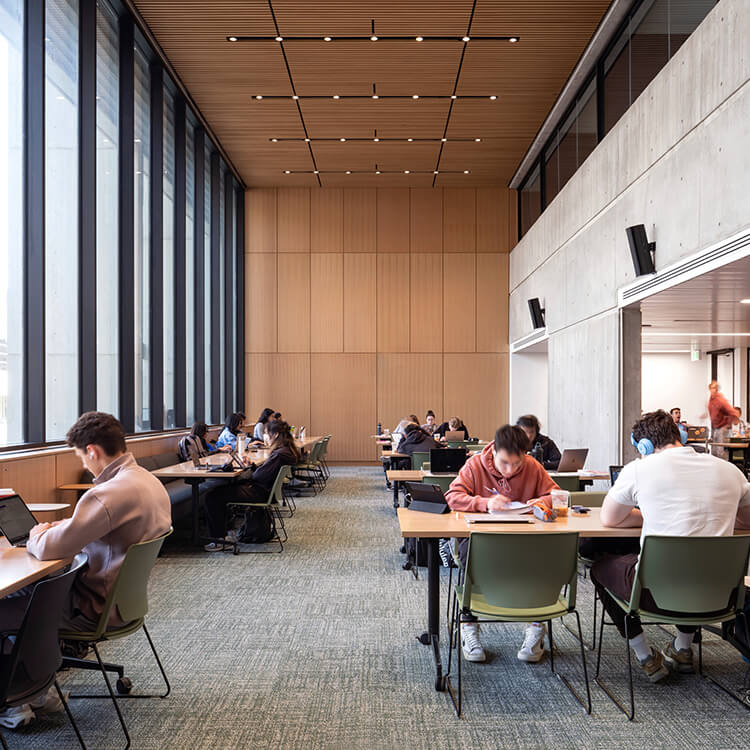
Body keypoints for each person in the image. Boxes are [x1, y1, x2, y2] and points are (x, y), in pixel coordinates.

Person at [0, 412, 171, 728]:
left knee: (24, 602)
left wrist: (38, 533)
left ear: (92, 451)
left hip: (92, 607)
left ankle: (17, 699)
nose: (85, 463)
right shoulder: (148, 481)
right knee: (36, 589)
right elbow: (90, 526)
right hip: (124, 601)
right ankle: (39, 691)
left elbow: (50, 547)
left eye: (80, 456)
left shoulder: (108, 493)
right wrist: (61, 526)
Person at [591, 410, 750, 683]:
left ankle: (645, 657)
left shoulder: (639, 469)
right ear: (682, 436)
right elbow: (746, 521)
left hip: (654, 595)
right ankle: (682, 649)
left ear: (644, 447)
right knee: (695, 566)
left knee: (600, 567)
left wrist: (647, 514)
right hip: (719, 594)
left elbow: (609, 518)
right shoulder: (729, 470)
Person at [445, 424, 560, 664]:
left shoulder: (533, 466)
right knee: (470, 553)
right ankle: (468, 623)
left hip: (525, 538)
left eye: (517, 464)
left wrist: (541, 501)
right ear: (494, 451)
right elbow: (453, 496)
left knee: (549, 553)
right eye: (504, 463)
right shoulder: (475, 465)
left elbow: (557, 496)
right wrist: (484, 503)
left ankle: (536, 625)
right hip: (482, 539)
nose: (510, 470)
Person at [203, 420, 301, 551]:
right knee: (219, 493)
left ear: (275, 435)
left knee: (213, 496)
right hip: (265, 490)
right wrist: (252, 466)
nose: (265, 436)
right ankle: (224, 533)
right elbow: (265, 472)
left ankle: (218, 539)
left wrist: (249, 470)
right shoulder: (286, 451)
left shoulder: (279, 454)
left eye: (266, 433)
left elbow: (258, 476)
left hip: (259, 492)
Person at [703, 381, 739, 459]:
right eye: (712, 388)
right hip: (715, 427)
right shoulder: (711, 399)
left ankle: (724, 469)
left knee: (721, 452)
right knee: (714, 451)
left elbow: (733, 412)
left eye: (715, 388)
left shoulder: (720, 399)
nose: (714, 390)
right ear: (710, 389)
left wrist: (728, 425)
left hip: (722, 428)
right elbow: (713, 413)